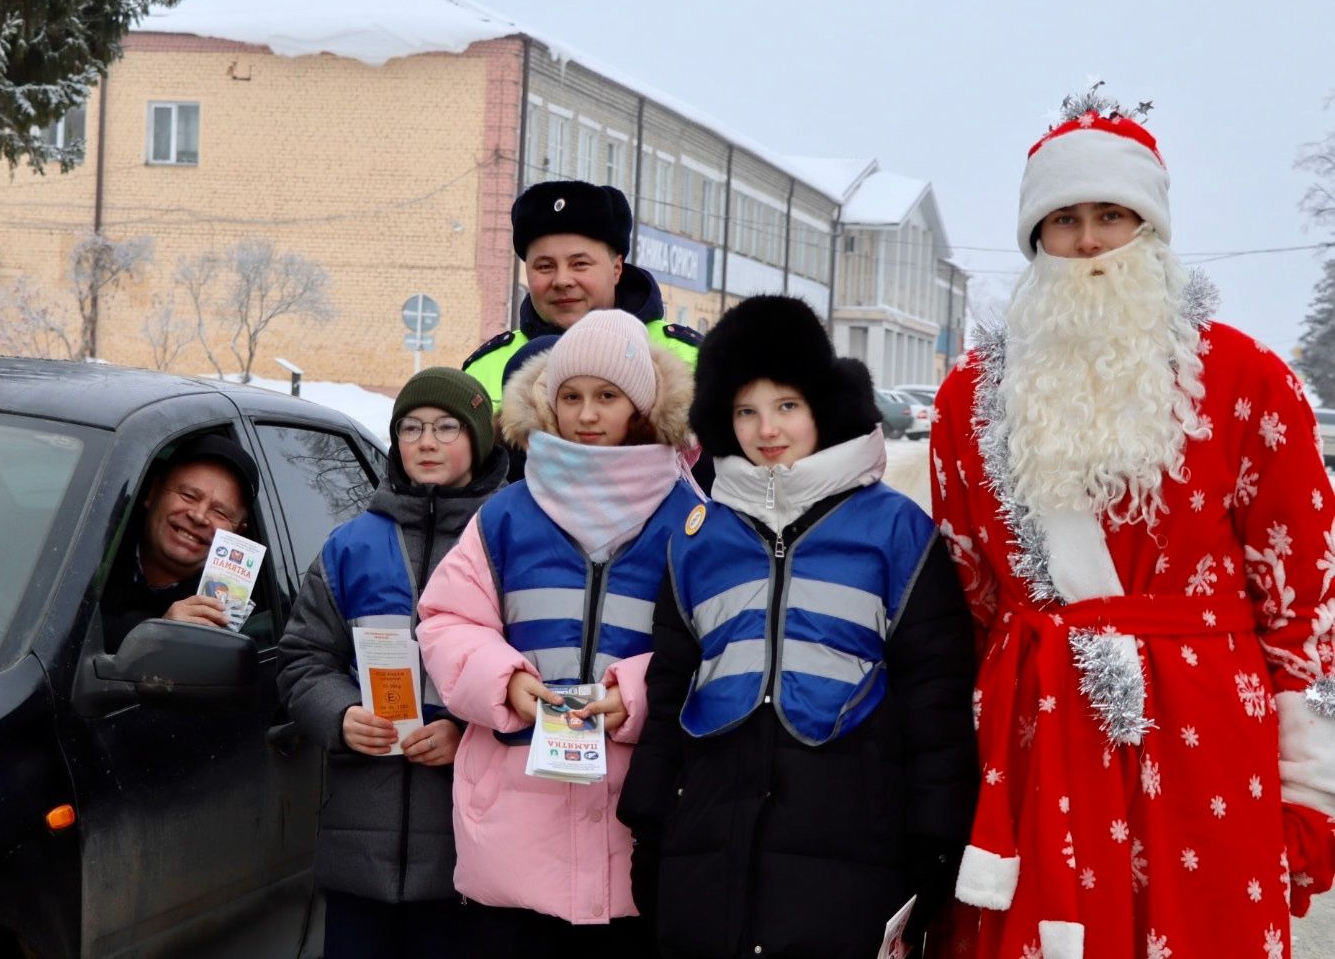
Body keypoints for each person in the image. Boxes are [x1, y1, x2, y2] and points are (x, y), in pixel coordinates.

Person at [931, 87, 1335, 958]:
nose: (1087, 243)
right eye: (1063, 219)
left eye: (1111, 216)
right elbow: (967, 585)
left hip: (1208, 737)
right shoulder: (971, 397)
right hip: (1037, 729)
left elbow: (1305, 590)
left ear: (1150, 230)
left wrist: (1309, 782)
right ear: (1034, 239)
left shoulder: (1245, 379)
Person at [618, 295, 979, 958]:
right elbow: (669, 691)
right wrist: (647, 824)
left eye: (786, 405)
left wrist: (937, 834)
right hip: (712, 841)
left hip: (853, 839)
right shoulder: (695, 539)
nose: (767, 429)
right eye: (746, 411)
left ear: (821, 407)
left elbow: (937, 694)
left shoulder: (895, 530)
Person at [417, 309, 700, 954]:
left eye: (608, 396)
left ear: (643, 407)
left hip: (639, 821)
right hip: (517, 828)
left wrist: (637, 691)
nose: (587, 414)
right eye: (570, 396)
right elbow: (447, 620)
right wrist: (506, 681)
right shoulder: (505, 516)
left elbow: (720, 643)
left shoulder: (691, 518)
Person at [277, 367, 509, 959]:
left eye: (446, 427)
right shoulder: (349, 546)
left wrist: (469, 734)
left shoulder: (510, 543)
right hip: (359, 853)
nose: (426, 441)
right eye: (410, 427)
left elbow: (533, 676)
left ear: (479, 441)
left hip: (468, 856)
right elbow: (303, 657)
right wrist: (341, 714)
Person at [463, 180, 701, 410]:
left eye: (579, 264)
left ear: (616, 268)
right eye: (545, 266)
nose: (562, 281)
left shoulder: (691, 359)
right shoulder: (485, 368)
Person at [101, 432, 260, 651]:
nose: (199, 516)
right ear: (153, 492)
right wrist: (156, 633)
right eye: (188, 496)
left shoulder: (253, 598)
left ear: (238, 534)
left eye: (220, 512)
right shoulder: (92, 545)